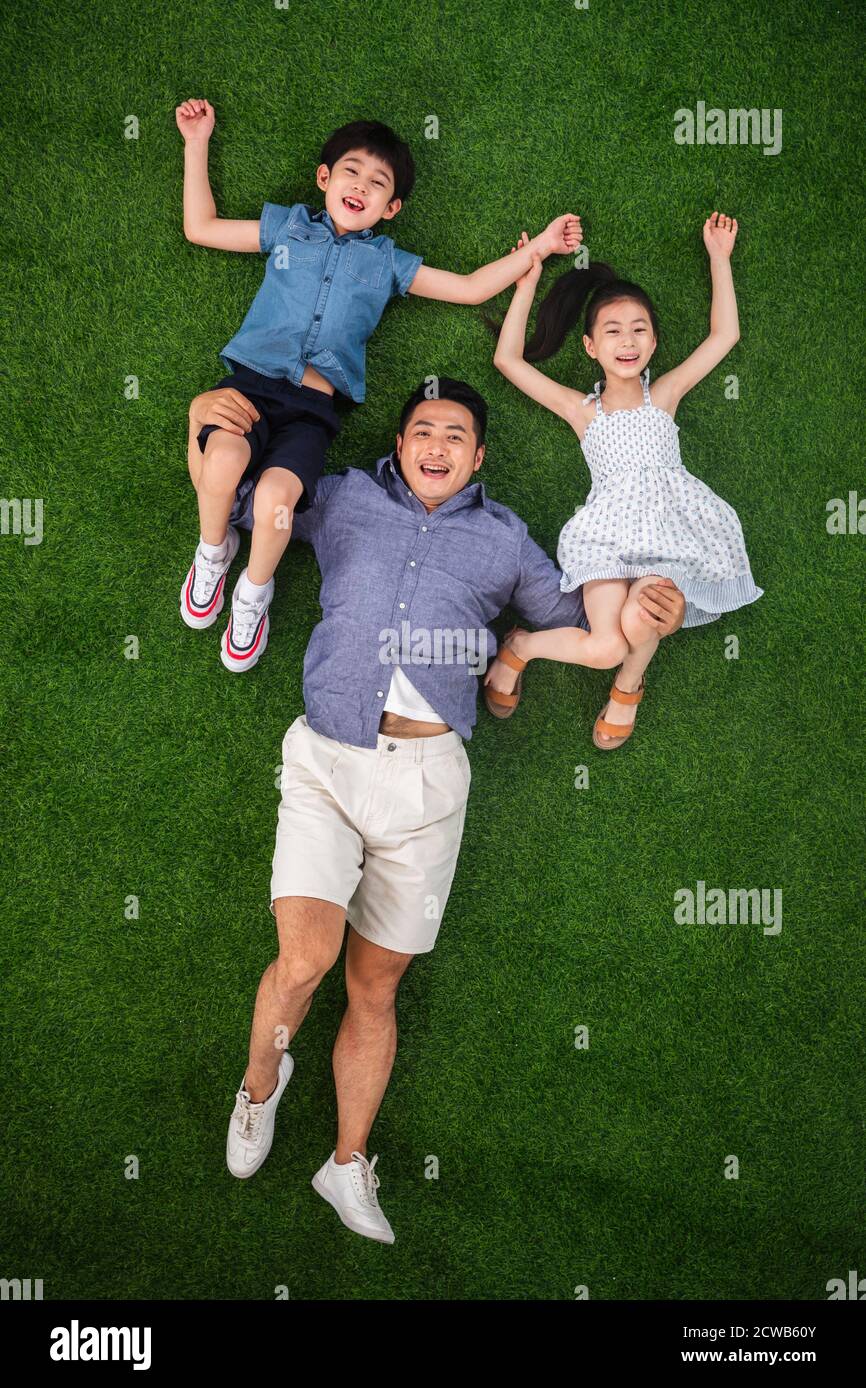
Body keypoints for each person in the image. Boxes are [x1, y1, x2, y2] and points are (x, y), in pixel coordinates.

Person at [187, 376, 687, 1243]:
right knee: (305, 963)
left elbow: (582, 623)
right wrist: (204, 427)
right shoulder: (341, 498)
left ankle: (346, 1163)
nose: (438, 445)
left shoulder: (505, 539)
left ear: (479, 456)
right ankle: (259, 1087)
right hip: (328, 760)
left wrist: (648, 617)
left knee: (374, 987)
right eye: (424, 430)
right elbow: (243, 515)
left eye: (456, 435)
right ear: (400, 443)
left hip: (430, 784)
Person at [174, 97, 581, 670]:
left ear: (391, 208)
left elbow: (468, 288)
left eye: (378, 183)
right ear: (325, 178)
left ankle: (253, 594)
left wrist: (538, 248)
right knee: (219, 466)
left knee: (274, 504)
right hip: (250, 387)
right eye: (351, 172)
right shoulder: (288, 227)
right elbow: (201, 227)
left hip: (312, 410)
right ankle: (213, 553)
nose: (360, 186)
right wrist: (197, 143)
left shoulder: (389, 263)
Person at [483, 212, 762, 749]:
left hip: (671, 532)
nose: (627, 341)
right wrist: (529, 280)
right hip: (609, 536)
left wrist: (719, 259)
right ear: (590, 347)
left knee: (645, 618)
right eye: (612, 331)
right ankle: (521, 645)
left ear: (654, 343)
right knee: (606, 646)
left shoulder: (667, 395)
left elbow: (725, 335)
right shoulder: (583, 411)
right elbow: (507, 359)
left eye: (639, 331)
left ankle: (626, 692)